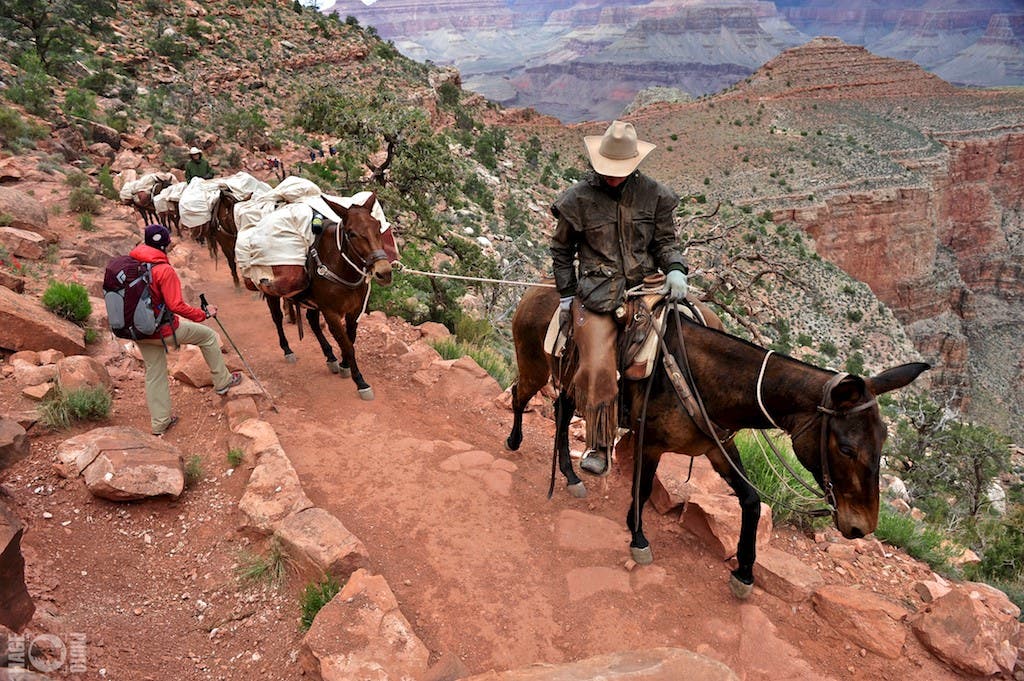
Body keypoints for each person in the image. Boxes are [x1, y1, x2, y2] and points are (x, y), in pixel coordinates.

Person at [550, 120, 689, 476]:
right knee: (597, 365)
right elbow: (562, 250)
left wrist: (675, 268)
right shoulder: (577, 199)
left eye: (619, 171)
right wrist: (567, 294)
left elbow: (665, 243)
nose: (613, 177)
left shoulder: (655, 196)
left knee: (694, 338)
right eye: (607, 171)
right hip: (596, 296)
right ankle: (598, 443)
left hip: (647, 288)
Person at [131, 224, 242, 435]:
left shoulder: (132, 263)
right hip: (161, 330)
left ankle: (160, 422)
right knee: (208, 336)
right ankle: (223, 381)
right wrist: (204, 314)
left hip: (137, 330)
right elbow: (176, 306)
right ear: (164, 246)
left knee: (155, 372)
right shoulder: (164, 270)